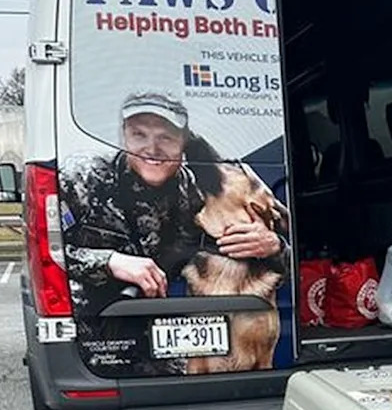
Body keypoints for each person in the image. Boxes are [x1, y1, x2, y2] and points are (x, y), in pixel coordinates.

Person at [60, 91, 285, 313]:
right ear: (124, 136)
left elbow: (287, 263)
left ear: (184, 142)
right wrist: (110, 262)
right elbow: (44, 255)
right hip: (87, 323)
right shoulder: (83, 176)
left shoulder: (199, 193)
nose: (152, 149)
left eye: (165, 137)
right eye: (139, 135)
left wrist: (273, 247)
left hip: (168, 319)